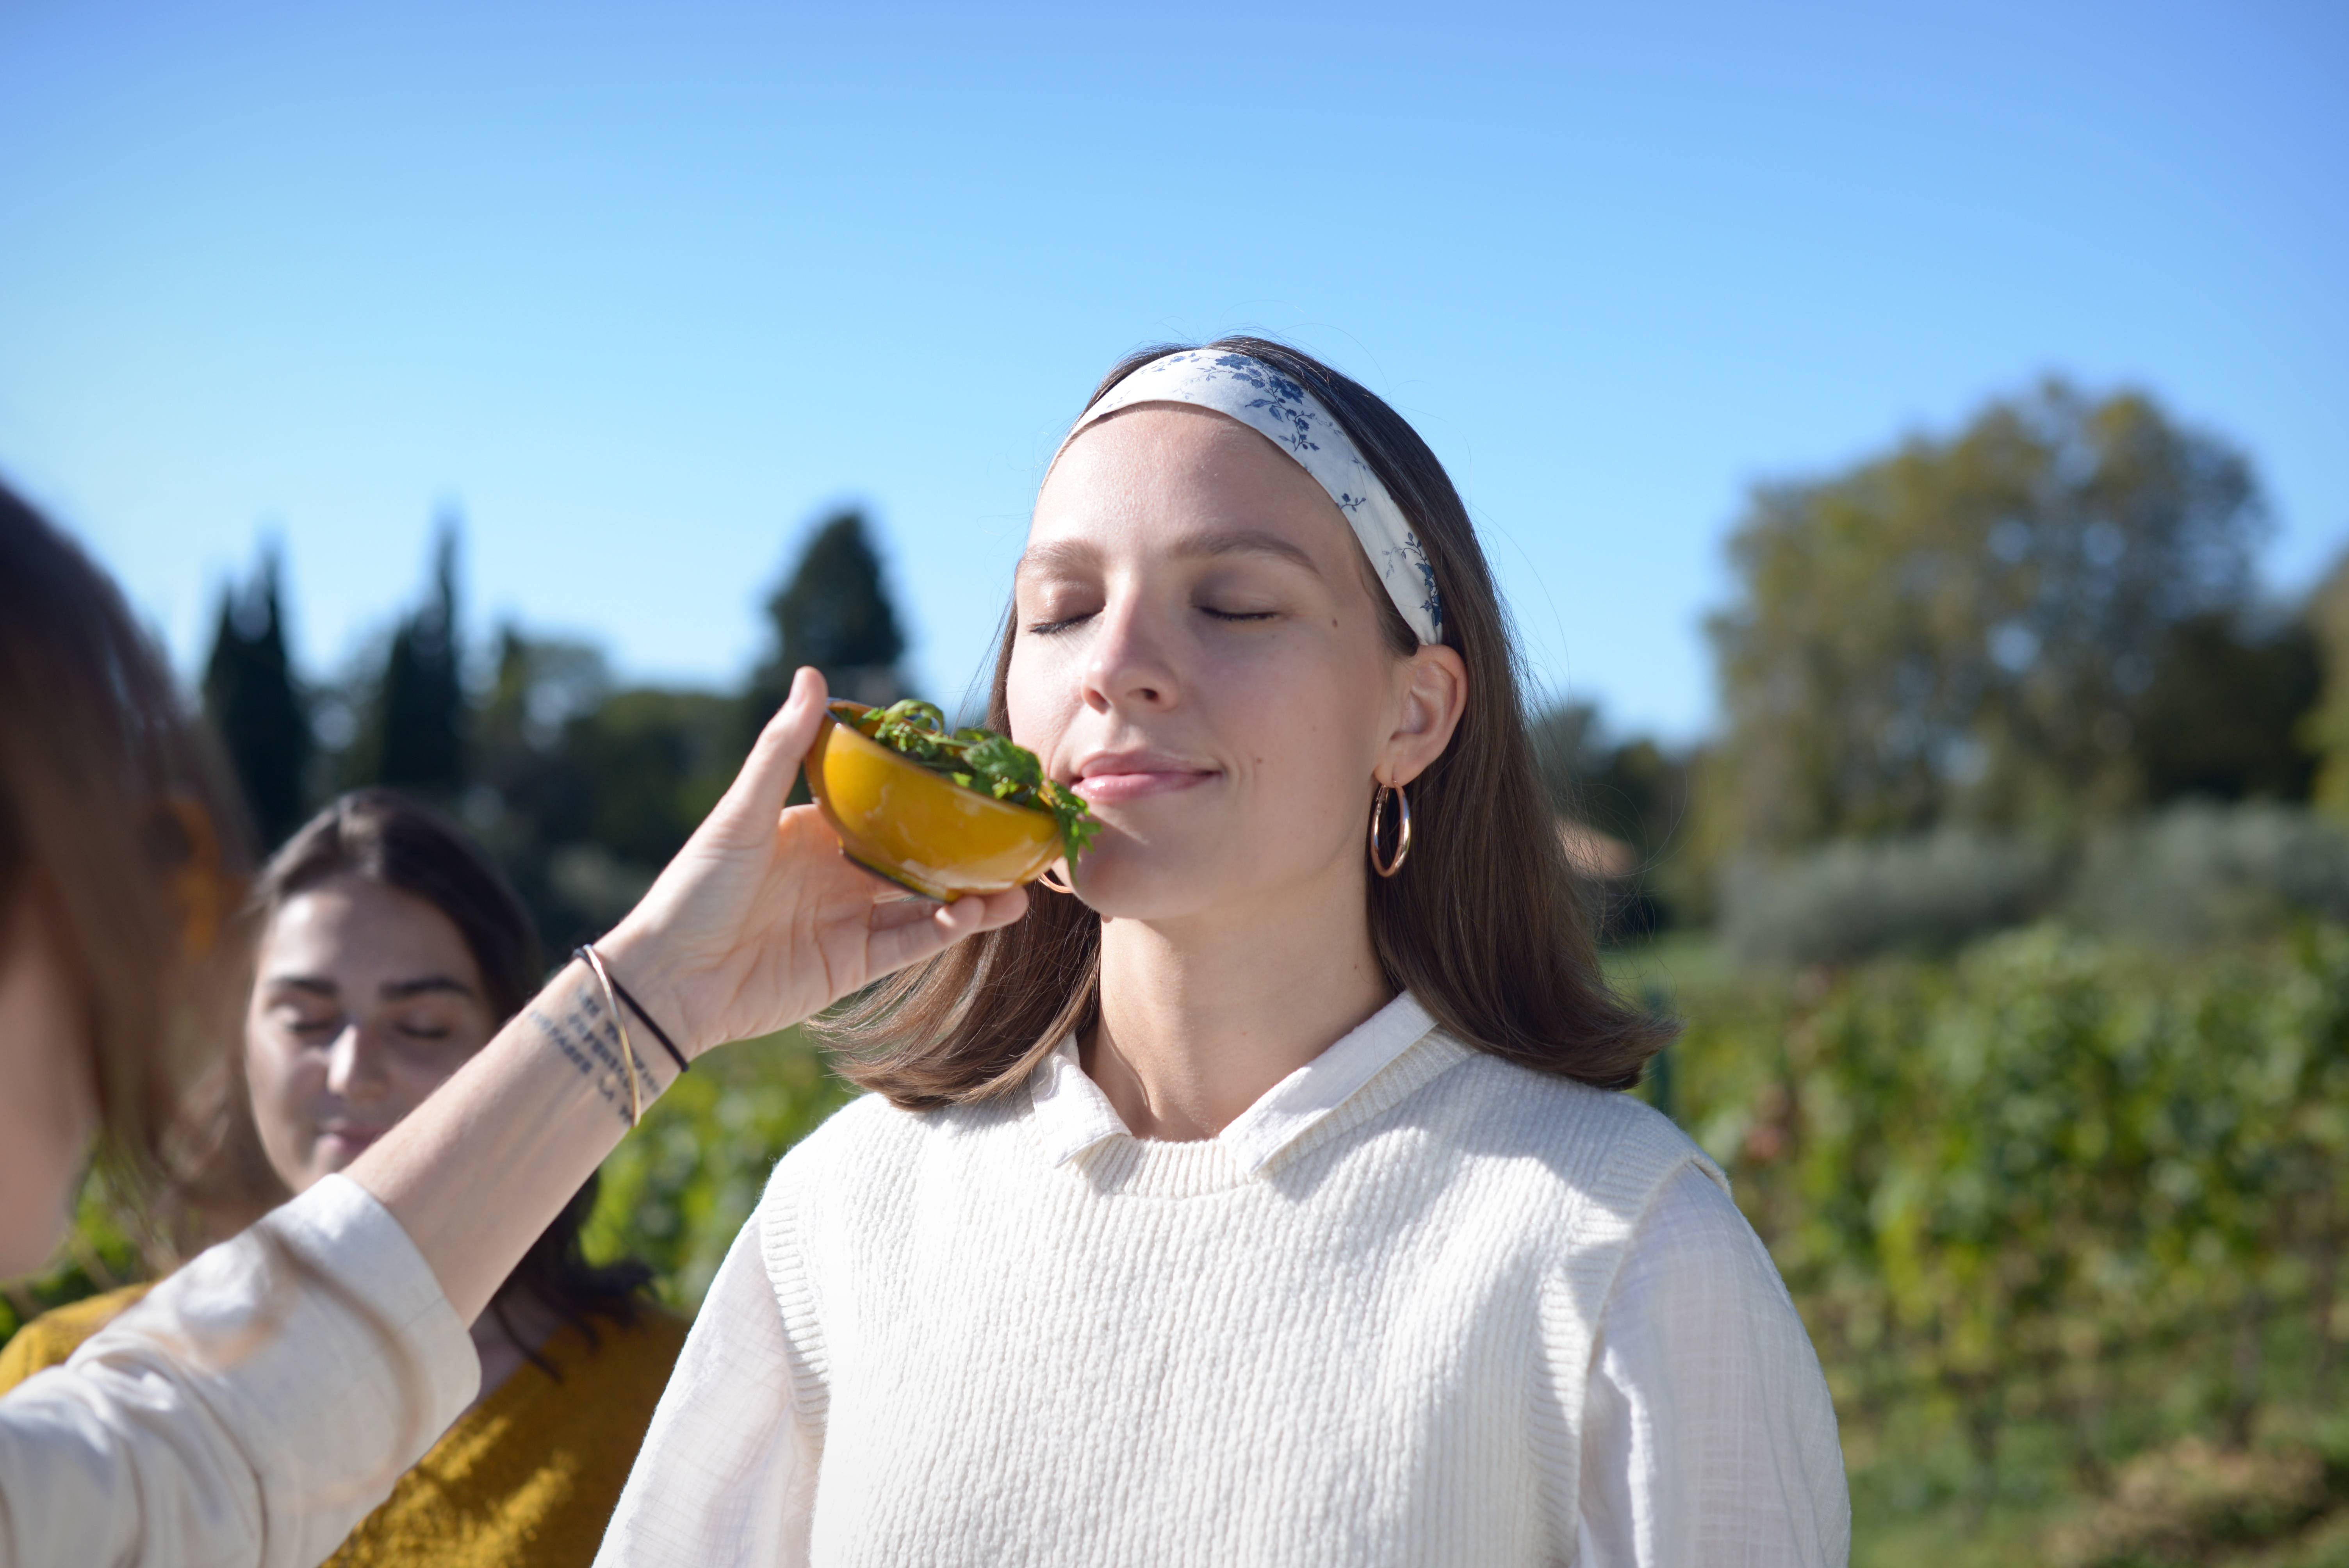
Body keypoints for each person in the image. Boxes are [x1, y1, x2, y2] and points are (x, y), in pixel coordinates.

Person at [600, 340, 1852, 1566]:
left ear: (1413, 715)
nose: (1117, 668)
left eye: (1238, 604)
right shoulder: (847, 1214)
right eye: (1064, 611)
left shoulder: (1620, 1245)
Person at [0, 481, 1025, 1566]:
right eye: (117, 885)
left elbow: (205, 1453)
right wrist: (658, 996)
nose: (138, 971)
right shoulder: (68, 1377)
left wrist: (662, 993)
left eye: (426, 1025)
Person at [0, 789, 688, 1565]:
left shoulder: (676, 1395)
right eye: (306, 1019)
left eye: (420, 1025)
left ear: (513, 1053)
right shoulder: (60, 1374)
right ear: (240, 1044)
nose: (355, 1070)